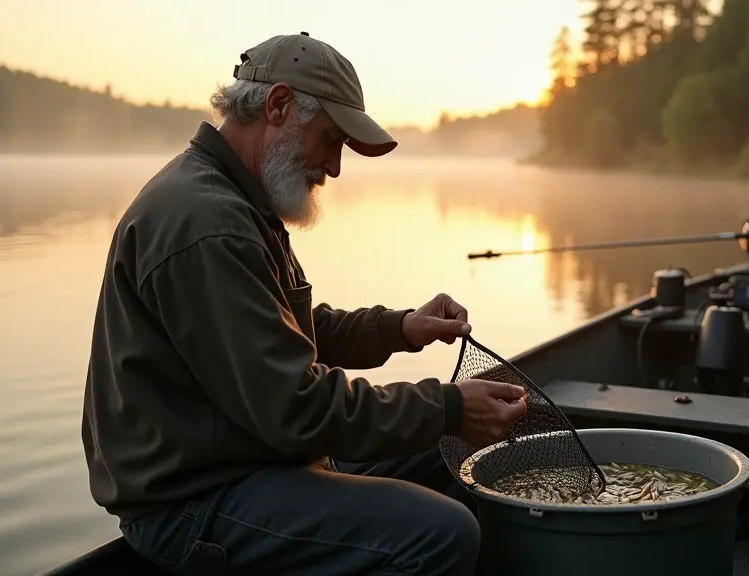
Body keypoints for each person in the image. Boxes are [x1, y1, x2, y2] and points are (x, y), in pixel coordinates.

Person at [81, 32, 528, 576]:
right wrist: (451, 406)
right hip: (194, 504)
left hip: (249, 461)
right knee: (442, 535)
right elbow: (295, 408)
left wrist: (402, 328)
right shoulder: (208, 222)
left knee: (446, 453)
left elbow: (287, 330)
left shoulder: (234, 197)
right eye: (331, 139)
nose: (334, 167)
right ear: (278, 105)